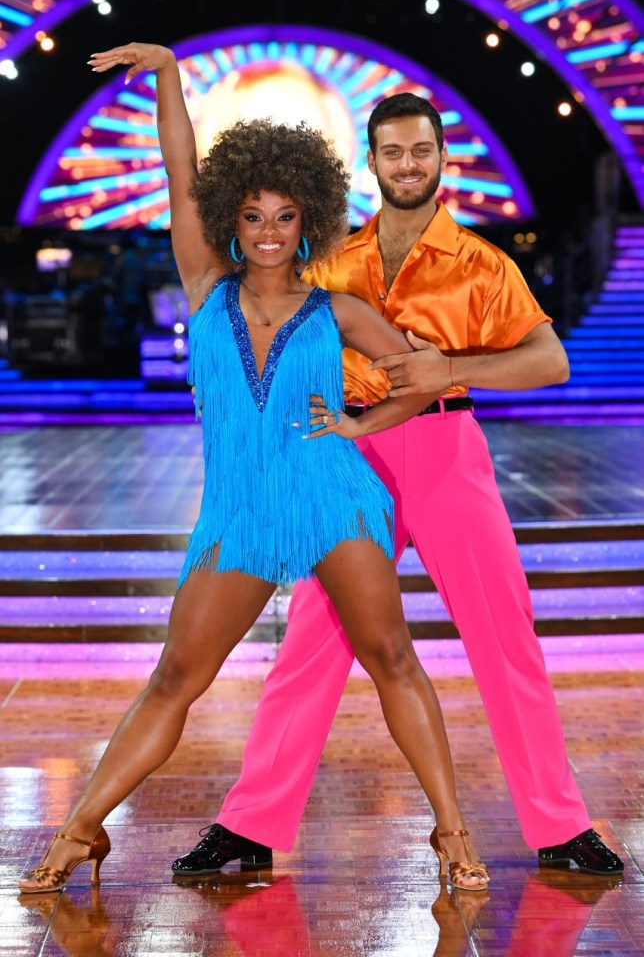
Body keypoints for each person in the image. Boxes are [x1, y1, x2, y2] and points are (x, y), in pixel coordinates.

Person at [18, 45, 489, 895]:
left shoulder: (338, 308)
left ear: (307, 217)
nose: (268, 233)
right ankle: (80, 829)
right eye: (251, 217)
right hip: (237, 514)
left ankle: (451, 833)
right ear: (227, 221)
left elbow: (431, 376)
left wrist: (361, 421)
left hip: (333, 500)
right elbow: (177, 164)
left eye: (282, 217)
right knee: (175, 678)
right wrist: (167, 73)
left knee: (392, 658)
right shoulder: (203, 286)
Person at [173, 93, 624, 878]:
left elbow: (550, 362)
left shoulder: (483, 263)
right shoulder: (328, 261)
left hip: (446, 449)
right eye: (392, 152)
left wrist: (450, 367)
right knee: (314, 641)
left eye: (421, 151)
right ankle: (250, 826)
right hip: (345, 456)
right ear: (372, 162)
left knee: (503, 638)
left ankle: (559, 824)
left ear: (441, 158)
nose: (407, 164)